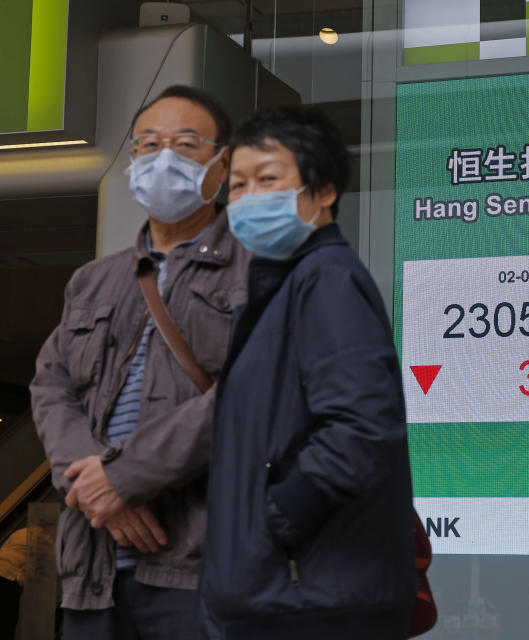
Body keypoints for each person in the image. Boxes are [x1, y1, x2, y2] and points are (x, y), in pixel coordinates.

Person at [30, 85, 249, 639]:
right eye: (148, 144)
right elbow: (51, 387)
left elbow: (254, 390)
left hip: (204, 568)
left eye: (184, 144)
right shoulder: (93, 280)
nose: (162, 159)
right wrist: (97, 487)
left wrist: (124, 477)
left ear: (222, 166)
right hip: (94, 563)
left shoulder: (265, 269)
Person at [200, 105, 416, 638]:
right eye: (240, 185)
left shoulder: (326, 280)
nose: (247, 199)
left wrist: (277, 518)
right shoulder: (281, 288)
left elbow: (362, 426)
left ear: (323, 192)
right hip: (286, 595)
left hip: (315, 599)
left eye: (268, 180)